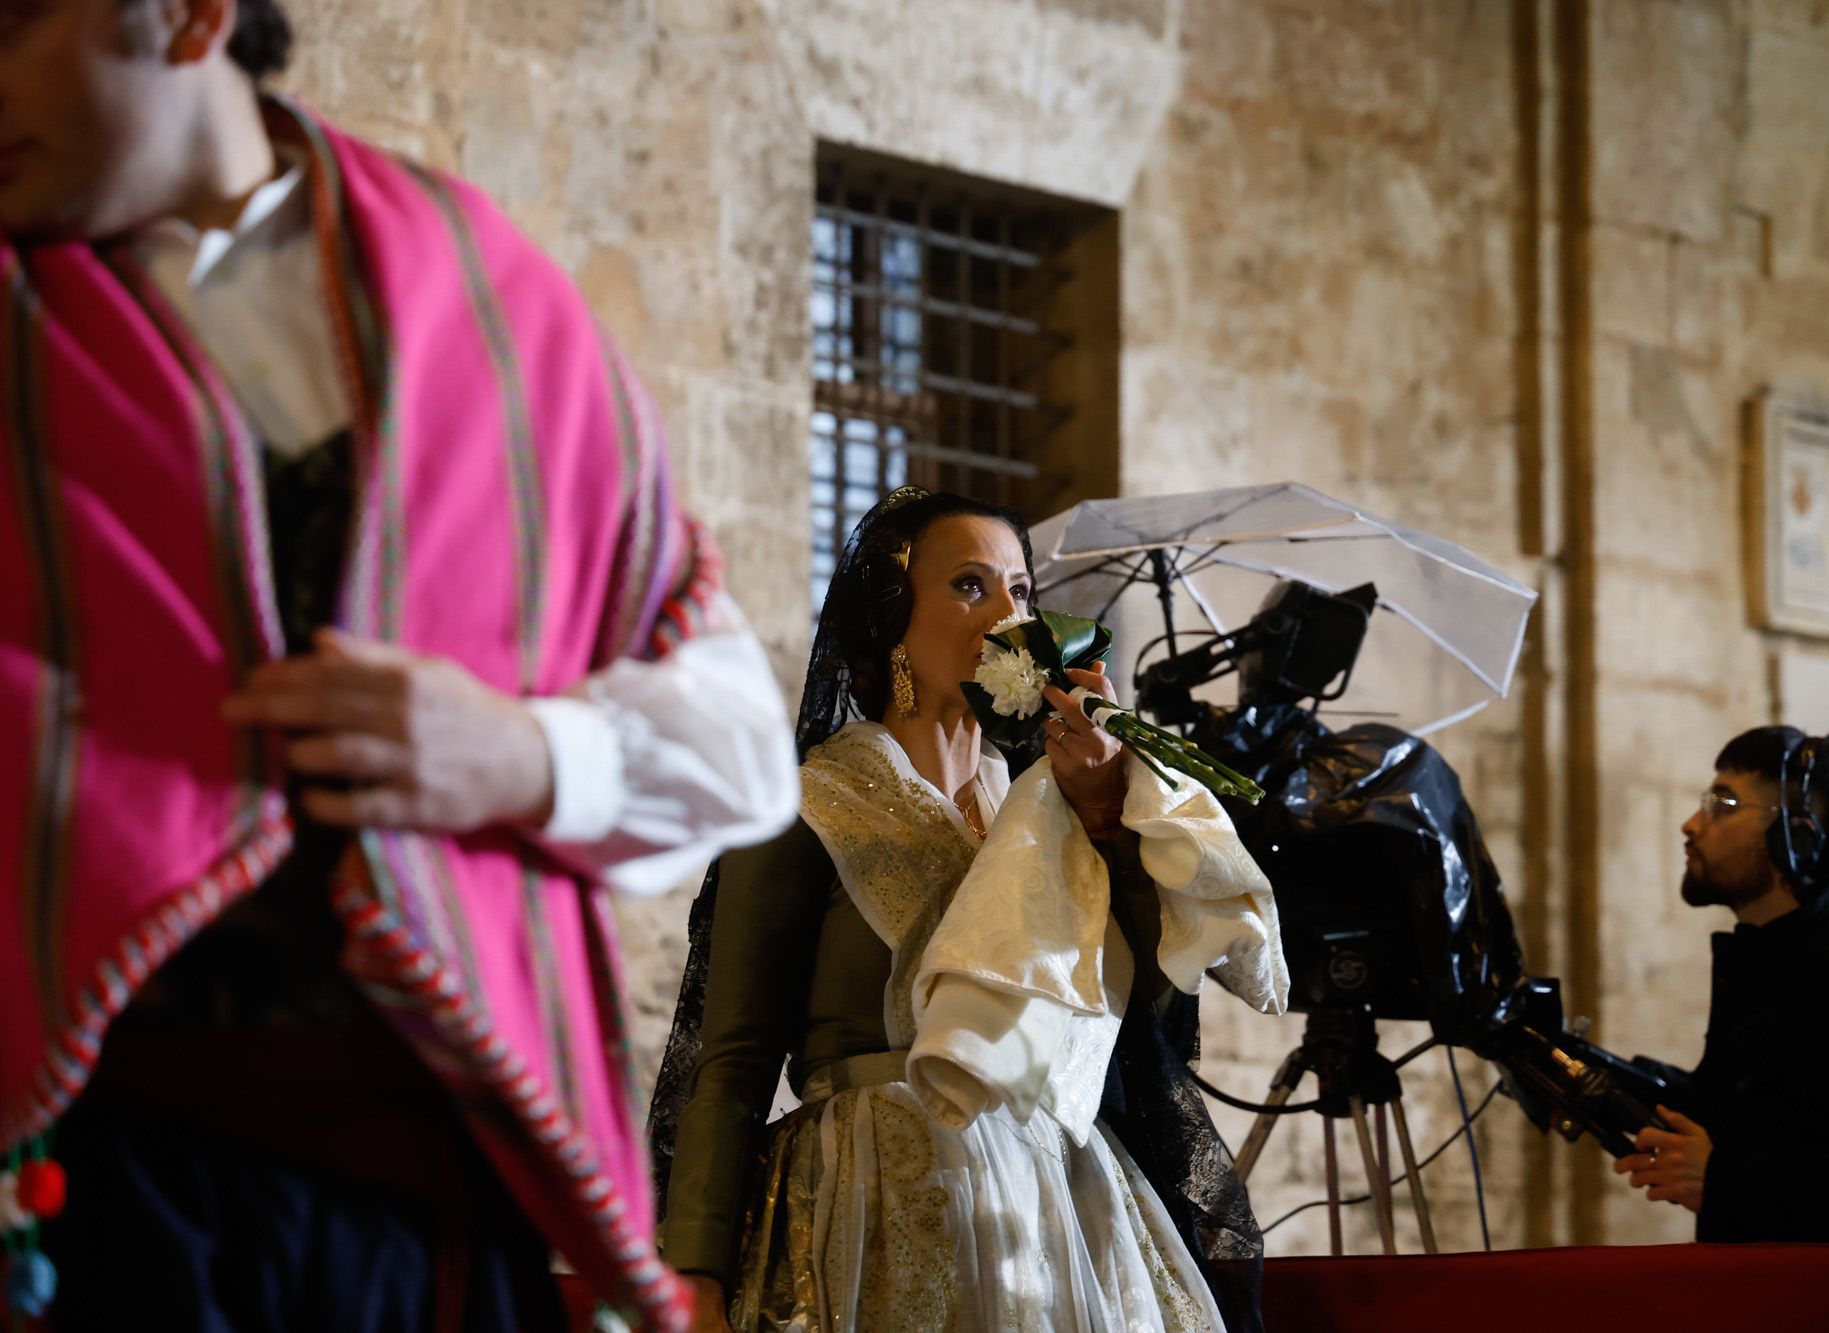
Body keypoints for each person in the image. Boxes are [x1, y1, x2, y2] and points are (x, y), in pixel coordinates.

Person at [0, 2, 797, 1328]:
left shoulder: (490, 308)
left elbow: (740, 744)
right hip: (77, 1184)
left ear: (192, 16)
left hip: (419, 1202)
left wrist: (527, 752)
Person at [649, 487, 1290, 1332]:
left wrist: (1106, 814)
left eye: (1021, 591)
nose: (1007, 616)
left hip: (1056, 1211)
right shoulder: (804, 807)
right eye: (969, 586)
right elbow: (728, 1064)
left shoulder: (1050, 806)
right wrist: (691, 1272)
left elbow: (1141, 1024)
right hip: (872, 1199)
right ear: (891, 618)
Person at [1613, 727, 1829, 1249]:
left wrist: (1724, 1180)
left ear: (1798, 837)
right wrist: (1583, 1075)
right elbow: (1741, 1121)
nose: (1692, 824)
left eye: (1724, 804)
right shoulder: (1777, 963)